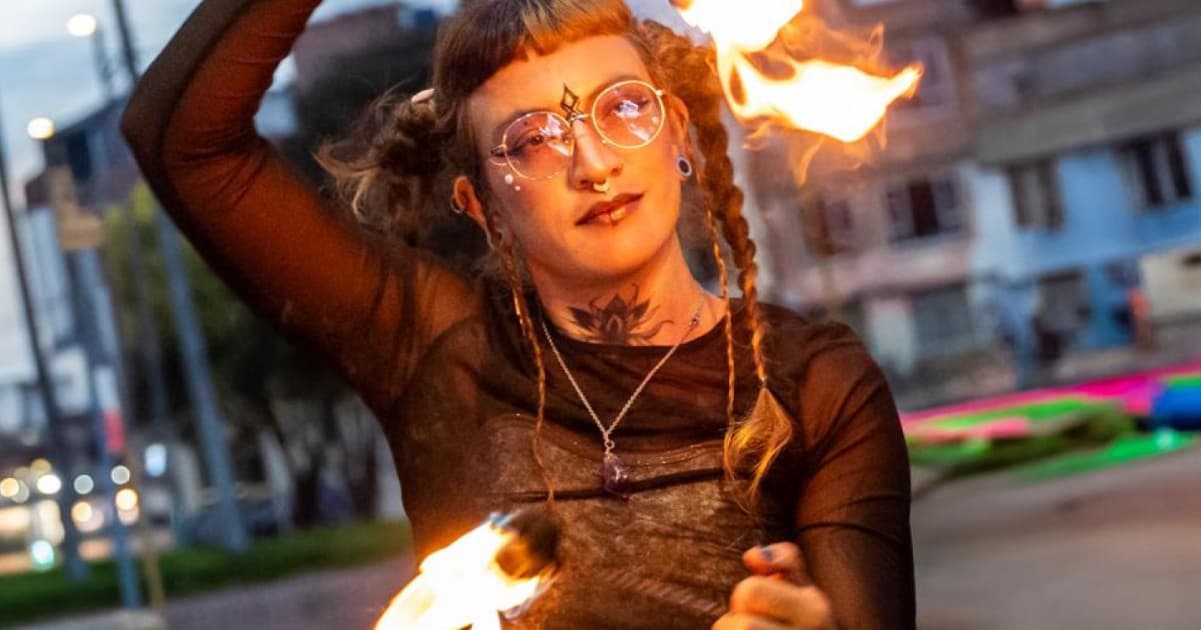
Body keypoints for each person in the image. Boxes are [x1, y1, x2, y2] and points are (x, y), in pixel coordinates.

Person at [121, 0, 914, 627]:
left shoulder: (815, 382)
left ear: (675, 130)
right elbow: (181, 139)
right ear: (480, 204)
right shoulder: (435, 348)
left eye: (623, 107)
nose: (593, 163)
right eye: (532, 140)